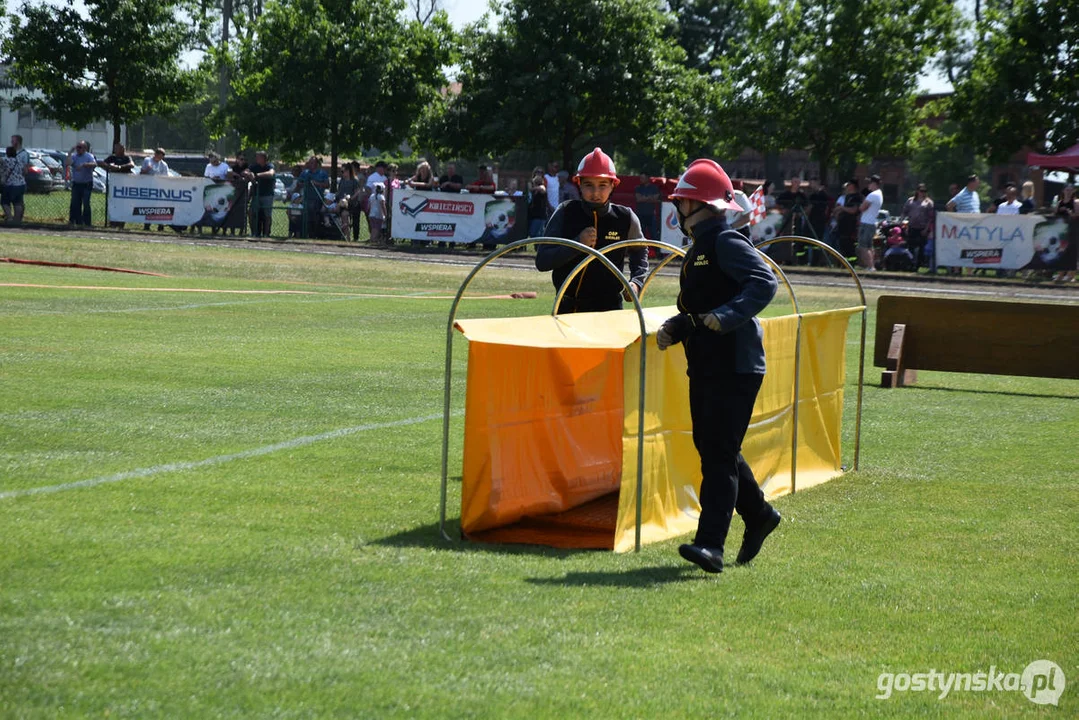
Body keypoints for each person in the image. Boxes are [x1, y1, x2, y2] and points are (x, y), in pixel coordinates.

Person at [656, 158, 780, 574]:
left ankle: (711, 545)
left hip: (737, 365)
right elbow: (701, 307)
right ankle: (759, 514)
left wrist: (728, 315)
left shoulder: (726, 242)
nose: (677, 210)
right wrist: (677, 326)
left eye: (681, 202)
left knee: (718, 455)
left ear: (694, 206)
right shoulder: (701, 248)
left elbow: (765, 283)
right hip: (709, 362)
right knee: (713, 448)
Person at [534, 147, 648, 313]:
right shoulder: (565, 212)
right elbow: (542, 261)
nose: (595, 193)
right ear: (579, 184)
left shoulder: (625, 217)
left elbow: (640, 251)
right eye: (589, 185)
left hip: (609, 312)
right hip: (567, 309)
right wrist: (576, 244)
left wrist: (636, 282)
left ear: (613, 185)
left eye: (602, 185)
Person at [900, 183, 934, 269]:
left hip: (922, 228)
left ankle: (918, 265)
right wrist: (902, 222)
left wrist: (926, 229)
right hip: (912, 227)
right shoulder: (910, 201)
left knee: (921, 248)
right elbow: (905, 212)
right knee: (910, 246)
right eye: (921, 191)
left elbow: (931, 218)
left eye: (924, 191)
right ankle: (910, 265)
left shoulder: (929, 202)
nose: (923, 193)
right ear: (917, 191)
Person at [244, 150, 276, 237]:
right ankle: (254, 233)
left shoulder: (269, 165)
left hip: (267, 195)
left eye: (258, 157)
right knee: (251, 213)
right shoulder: (254, 166)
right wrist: (249, 174)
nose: (256, 158)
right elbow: (245, 171)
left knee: (267, 215)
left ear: (264, 158)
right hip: (256, 195)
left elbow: (271, 173)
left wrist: (257, 175)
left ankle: (266, 234)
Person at [66, 140, 97, 227]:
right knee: (75, 203)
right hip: (76, 184)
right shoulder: (74, 156)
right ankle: (74, 221)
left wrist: (84, 165)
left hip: (86, 184)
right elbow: (68, 163)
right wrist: (69, 153)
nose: (77, 149)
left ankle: (87, 223)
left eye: (79, 147)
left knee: (86, 203)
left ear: (84, 148)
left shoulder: (89, 156)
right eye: (77, 147)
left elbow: (94, 164)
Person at [856, 174, 883, 271]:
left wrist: (862, 203)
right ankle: (870, 265)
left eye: (869, 182)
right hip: (871, 223)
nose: (868, 185)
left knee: (863, 246)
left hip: (866, 223)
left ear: (874, 183)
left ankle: (870, 266)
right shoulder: (879, 194)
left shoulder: (872, 195)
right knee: (869, 246)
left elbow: (862, 208)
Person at [140, 148, 170, 231]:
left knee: (160, 207)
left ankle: (160, 226)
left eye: (162, 157)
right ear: (155, 154)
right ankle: (147, 225)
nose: (160, 159)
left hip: (159, 190)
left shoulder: (164, 165)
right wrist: (147, 170)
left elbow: (165, 178)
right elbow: (141, 173)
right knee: (149, 207)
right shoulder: (147, 160)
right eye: (159, 156)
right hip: (148, 188)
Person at [832, 179, 862, 258]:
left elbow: (854, 210)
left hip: (850, 225)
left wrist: (841, 208)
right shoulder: (847, 197)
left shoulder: (856, 197)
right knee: (842, 244)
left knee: (849, 245)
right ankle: (844, 264)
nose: (847, 187)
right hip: (842, 224)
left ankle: (851, 264)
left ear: (852, 186)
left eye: (848, 185)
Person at [1053, 184, 1077, 282]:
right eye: (1067, 190)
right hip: (1062, 231)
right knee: (1062, 252)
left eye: (1070, 190)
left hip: (1073, 230)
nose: (1068, 192)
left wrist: (1069, 212)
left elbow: (1077, 215)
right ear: (1063, 191)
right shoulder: (1059, 203)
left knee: (1072, 253)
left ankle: (1071, 275)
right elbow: (1054, 215)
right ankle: (1060, 274)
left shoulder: (1075, 202)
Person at [6, 135, 29, 224]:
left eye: (13, 141)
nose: (11, 142)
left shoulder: (23, 154)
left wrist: (21, 175)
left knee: (18, 201)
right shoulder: (11, 152)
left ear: (18, 142)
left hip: (18, 181)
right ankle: (13, 219)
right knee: (12, 201)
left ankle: (17, 219)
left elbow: (26, 168)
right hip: (10, 181)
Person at [1, 147, 24, 223]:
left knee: (4, 202)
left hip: (10, 184)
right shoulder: (19, 160)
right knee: (17, 202)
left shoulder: (6, 160)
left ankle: (9, 218)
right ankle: (17, 220)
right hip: (21, 184)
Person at [635, 173, 661, 240]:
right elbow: (638, 199)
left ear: (647, 178)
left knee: (654, 234)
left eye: (643, 178)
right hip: (640, 214)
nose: (641, 180)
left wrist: (644, 198)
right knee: (640, 234)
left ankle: (656, 249)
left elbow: (656, 199)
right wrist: (650, 198)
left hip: (651, 214)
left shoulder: (654, 188)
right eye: (640, 178)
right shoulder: (638, 188)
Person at [527, 171, 548, 238]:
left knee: (535, 234)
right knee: (531, 233)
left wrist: (532, 188)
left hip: (539, 216)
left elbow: (543, 189)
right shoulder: (532, 192)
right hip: (531, 215)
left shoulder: (541, 187)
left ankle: (540, 247)